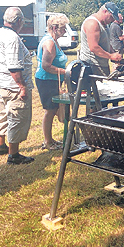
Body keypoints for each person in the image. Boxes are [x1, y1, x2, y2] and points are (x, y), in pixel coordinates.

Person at [0, 7, 34, 164]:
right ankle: (13, 154)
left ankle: (0, 145)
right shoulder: (12, 38)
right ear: (19, 21)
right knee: (17, 116)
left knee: (1, 113)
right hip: (11, 85)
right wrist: (22, 86)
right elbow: (14, 65)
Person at [35, 14, 69, 150]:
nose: (65, 31)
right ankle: (48, 141)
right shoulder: (49, 42)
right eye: (63, 28)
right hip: (46, 80)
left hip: (53, 80)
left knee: (54, 109)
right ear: (54, 28)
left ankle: (50, 140)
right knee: (50, 110)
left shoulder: (54, 41)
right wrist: (65, 72)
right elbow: (46, 66)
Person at [79, 2, 122, 77]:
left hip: (102, 64)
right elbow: (94, 47)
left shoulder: (105, 25)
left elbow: (106, 42)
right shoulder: (92, 23)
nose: (112, 20)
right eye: (111, 17)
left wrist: (113, 52)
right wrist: (110, 56)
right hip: (92, 66)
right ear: (105, 11)